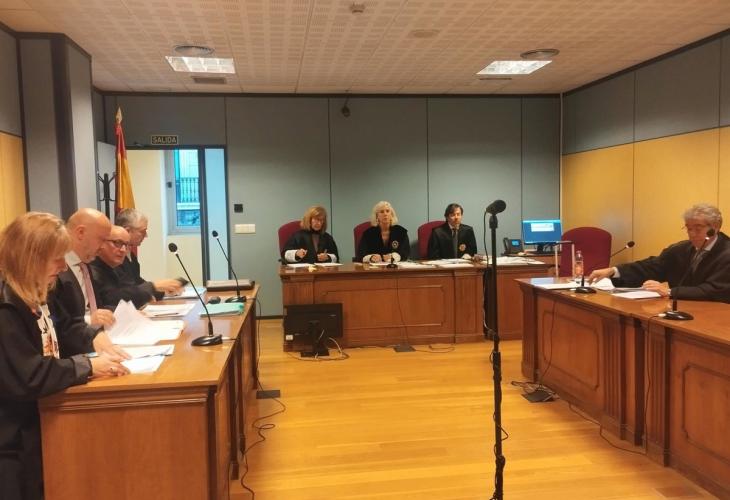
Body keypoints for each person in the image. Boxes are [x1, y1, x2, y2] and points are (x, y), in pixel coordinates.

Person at [0, 212, 128, 500]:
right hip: (12, 445)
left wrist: (91, 342)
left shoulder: (36, 292)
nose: (62, 266)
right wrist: (87, 365)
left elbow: (64, 332)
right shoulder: (7, 306)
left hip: (33, 429)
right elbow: (30, 375)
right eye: (56, 258)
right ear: (30, 258)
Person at [588, 203, 730, 301]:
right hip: (681, 312)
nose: (692, 234)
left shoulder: (726, 253)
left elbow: (714, 290)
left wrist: (669, 291)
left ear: (715, 227)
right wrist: (614, 271)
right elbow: (652, 267)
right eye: (688, 228)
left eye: (698, 228)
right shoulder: (681, 249)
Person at [47, 208, 123, 358]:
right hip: (74, 354)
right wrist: (90, 323)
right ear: (80, 232)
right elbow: (58, 324)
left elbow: (94, 308)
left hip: (96, 345)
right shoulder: (53, 274)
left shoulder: (86, 264)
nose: (103, 246)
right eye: (102, 239)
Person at [115, 208, 183, 301]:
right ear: (127, 231)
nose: (146, 235)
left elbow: (138, 282)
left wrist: (164, 291)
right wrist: (154, 286)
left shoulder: (131, 255)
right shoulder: (115, 258)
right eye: (143, 231)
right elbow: (125, 292)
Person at [90, 225, 162, 309]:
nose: (123, 250)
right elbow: (111, 300)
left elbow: (128, 291)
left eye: (126, 245)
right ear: (101, 243)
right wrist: (152, 287)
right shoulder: (92, 268)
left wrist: (153, 291)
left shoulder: (114, 266)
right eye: (118, 243)